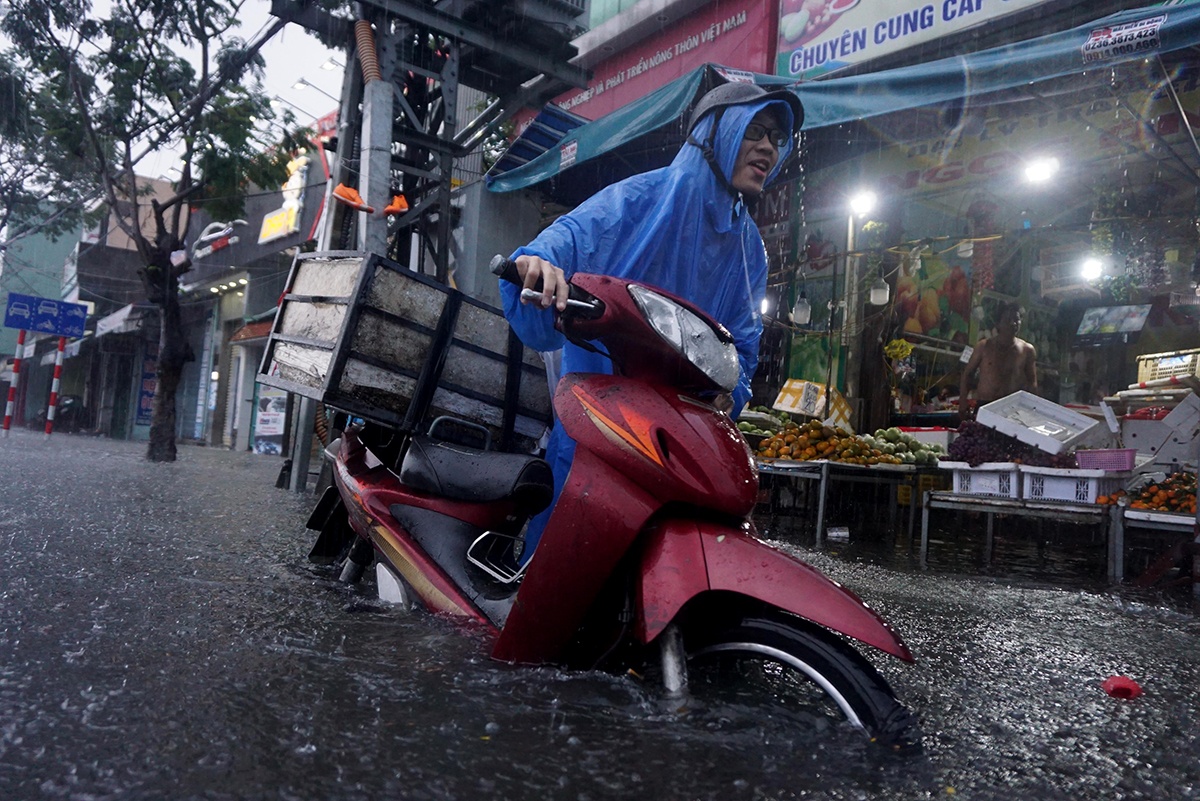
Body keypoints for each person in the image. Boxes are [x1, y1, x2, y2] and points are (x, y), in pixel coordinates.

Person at [500, 80, 804, 563]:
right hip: (598, 425)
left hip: (677, 439)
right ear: (717, 132)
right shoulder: (635, 200)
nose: (769, 147)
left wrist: (733, 390)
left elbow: (742, 348)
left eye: (778, 139)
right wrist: (538, 265)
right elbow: (563, 242)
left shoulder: (749, 249)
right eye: (756, 130)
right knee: (560, 561)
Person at [959, 301, 1037, 419]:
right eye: (1008, 319)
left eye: (1016, 319)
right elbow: (967, 375)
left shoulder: (1027, 350)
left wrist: (1031, 410)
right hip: (984, 405)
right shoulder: (983, 347)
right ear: (998, 324)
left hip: (1012, 410)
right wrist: (962, 402)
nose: (1013, 323)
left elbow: (1032, 383)